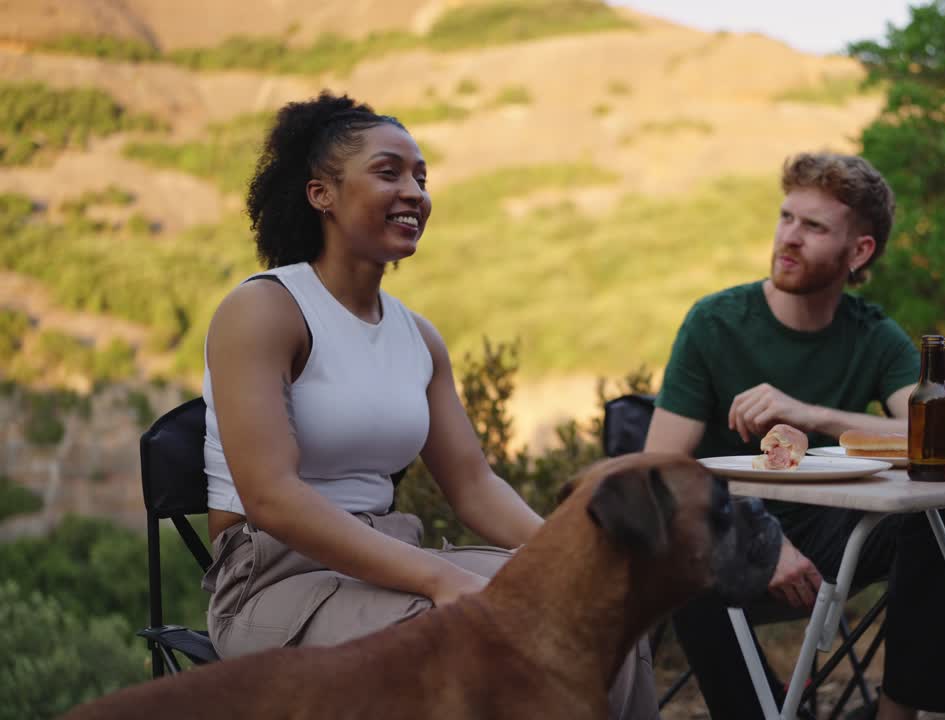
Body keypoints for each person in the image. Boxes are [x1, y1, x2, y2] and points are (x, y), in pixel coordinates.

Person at [200, 92, 657, 719]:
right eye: (389, 173)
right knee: (480, 636)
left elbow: (473, 485)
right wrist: (440, 578)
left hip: (390, 562)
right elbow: (270, 497)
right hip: (274, 583)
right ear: (321, 194)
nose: (413, 192)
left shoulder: (417, 337)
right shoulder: (265, 310)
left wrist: (571, 555)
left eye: (421, 177)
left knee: (598, 607)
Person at [644, 152, 945, 720]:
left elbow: (942, 436)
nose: (789, 237)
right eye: (786, 217)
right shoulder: (715, 324)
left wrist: (811, 415)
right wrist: (760, 541)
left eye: (814, 226)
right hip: (727, 537)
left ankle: (896, 715)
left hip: (830, 537)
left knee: (941, 505)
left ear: (859, 252)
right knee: (684, 561)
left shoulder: (871, 335)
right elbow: (657, 472)